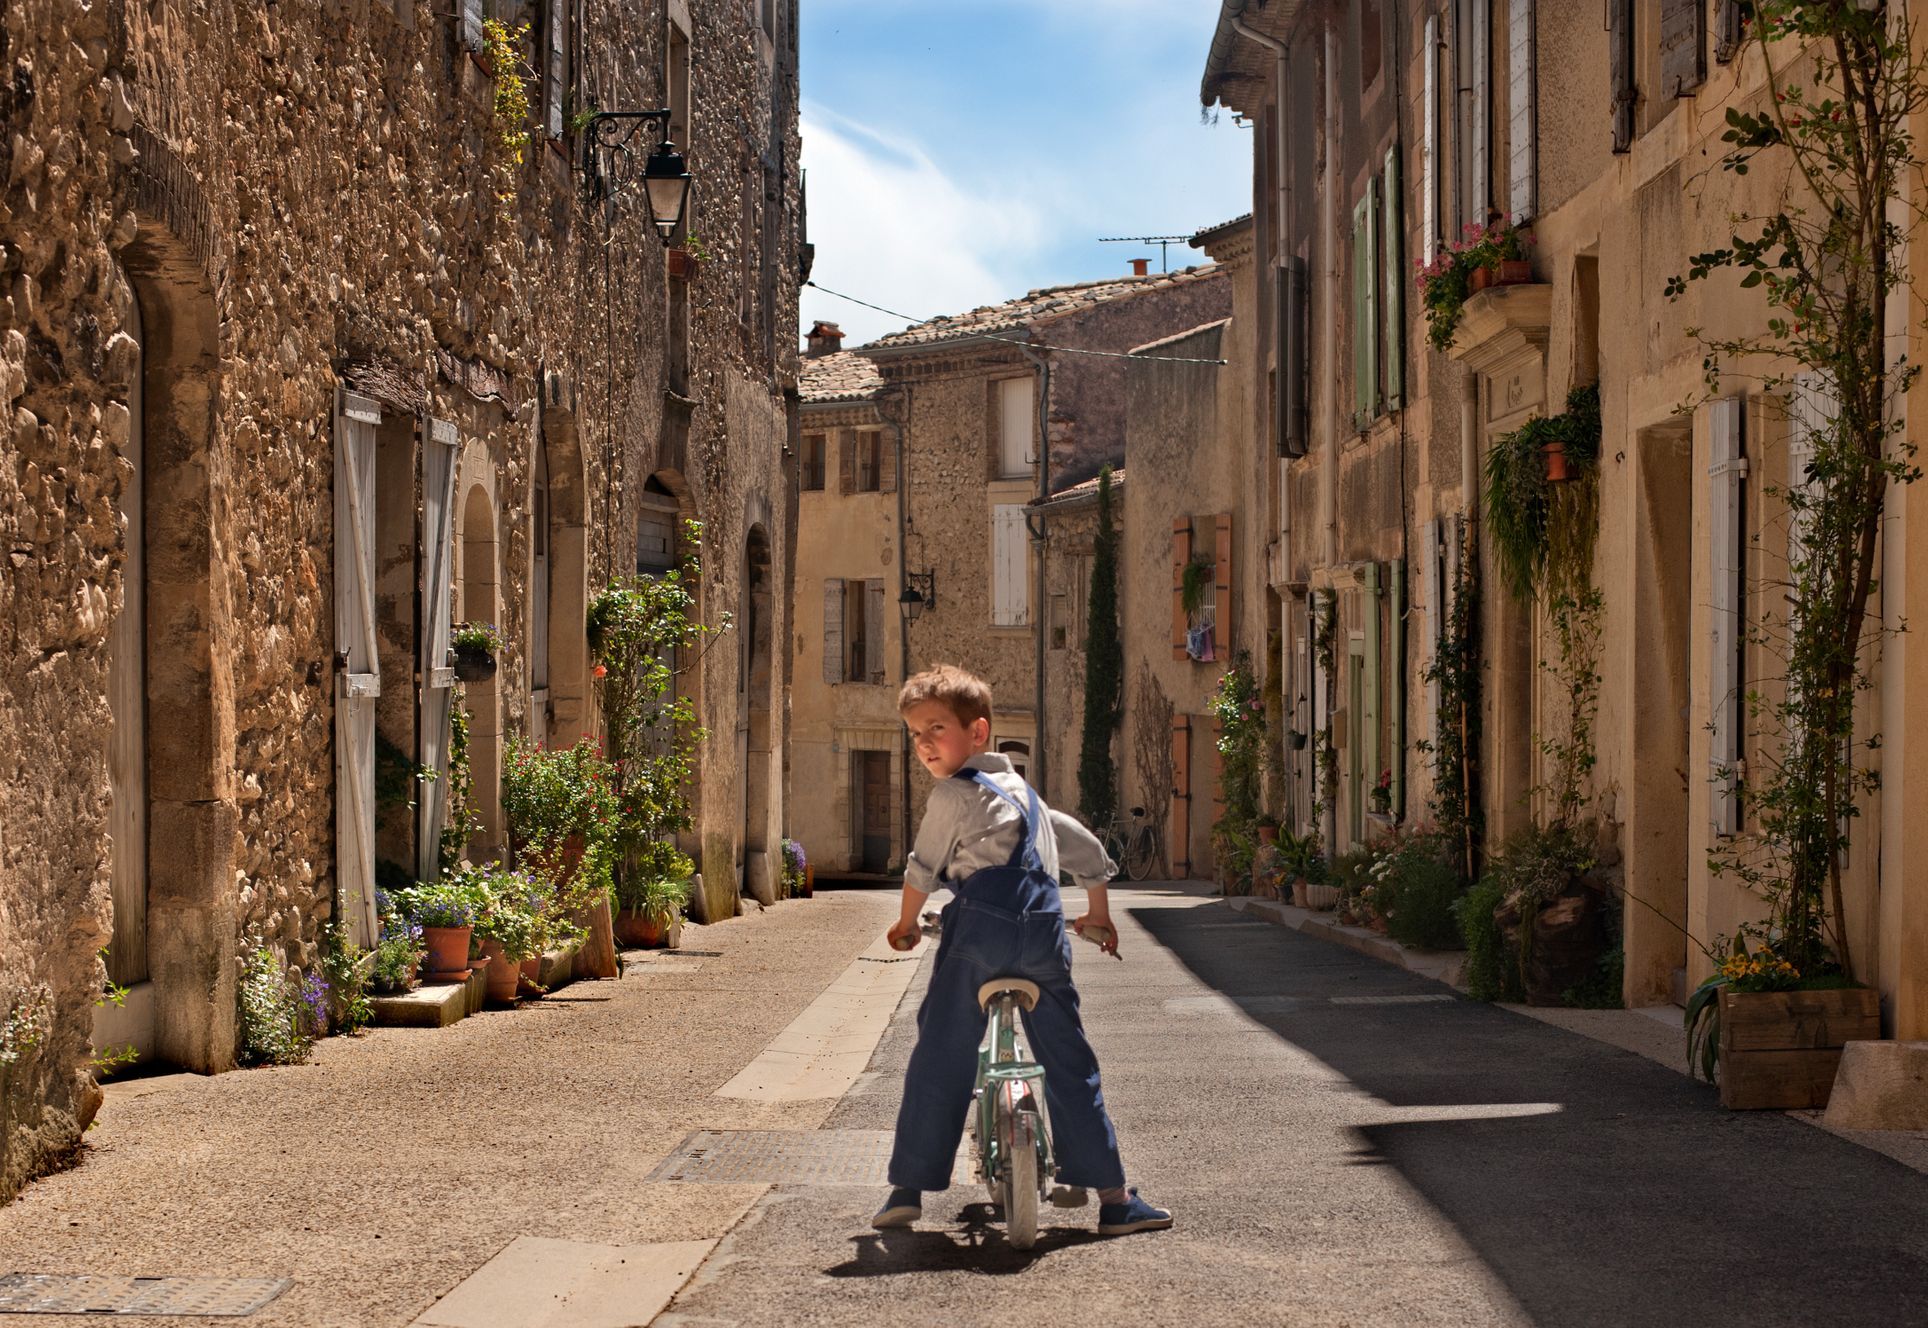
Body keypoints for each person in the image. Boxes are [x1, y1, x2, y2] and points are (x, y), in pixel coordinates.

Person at [872, 663, 1172, 1237]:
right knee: (1069, 1062)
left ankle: (907, 1187)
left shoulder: (953, 795)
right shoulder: (1030, 802)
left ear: (977, 732)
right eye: (915, 734)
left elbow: (923, 867)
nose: (924, 744)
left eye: (936, 728)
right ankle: (1114, 1199)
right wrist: (1099, 917)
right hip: (1044, 939)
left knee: (941, 1052)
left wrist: (907, 924)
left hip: (977, 940)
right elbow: (1088, 853)